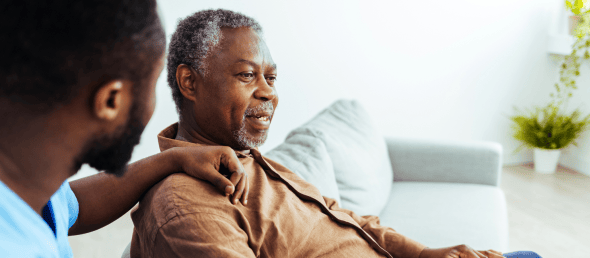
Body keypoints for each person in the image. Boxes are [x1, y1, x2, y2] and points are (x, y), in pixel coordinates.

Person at [130, 9, 542, 258]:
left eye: (271, 77)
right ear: (189, 83)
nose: (268, 91)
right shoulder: (184, 208)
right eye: (246, 75)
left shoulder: (244, 159)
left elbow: (339, 214)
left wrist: (423, 252)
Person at [0, 1, 250, 257]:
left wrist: (174, 159)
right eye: (153, 84)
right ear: (111, 100)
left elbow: (72, 207)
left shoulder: (27, 181)